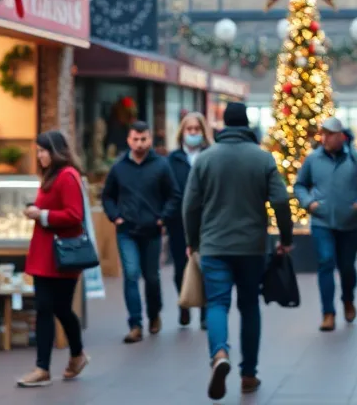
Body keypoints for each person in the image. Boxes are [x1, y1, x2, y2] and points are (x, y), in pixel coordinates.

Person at [183, 102, 293, 401]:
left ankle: (219, 354)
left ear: (223, 126)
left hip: (213, 246)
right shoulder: (262, 158)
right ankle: (248, 374)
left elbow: (190, 205)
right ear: (246, 125)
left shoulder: (205, 159)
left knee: (217, 303)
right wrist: (285, 237)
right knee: (249, 306)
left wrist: (193, 240)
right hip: (251, 247)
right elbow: (280, 201)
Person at [17, 130, 90, 388]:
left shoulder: (67, 176)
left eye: (43, 151)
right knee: (45, 308)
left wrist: (42, 215)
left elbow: (74, 215)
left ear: (55, 151)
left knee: (59, 308)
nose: (39, 156)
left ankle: (75, 355)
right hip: (45, 256)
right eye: (38, 151)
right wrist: (36, 211)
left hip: (61, 256)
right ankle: (44, 368)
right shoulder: (50, 176)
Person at [293, 116, 357, 332]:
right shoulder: (313, 159)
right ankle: (328, 313)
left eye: (330, 134)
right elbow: (300, 185)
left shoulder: (356, 159)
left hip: (349, 223)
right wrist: (309, 203)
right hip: (322, 222)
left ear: (341, 136)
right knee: (326, 262)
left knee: (347, 267)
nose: (325, 138)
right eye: (324, 134)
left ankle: (348, 299)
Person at [101, 120, 178, 342]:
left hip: (152, 230)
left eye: (143, 139)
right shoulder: (119, 167)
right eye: (135, 139)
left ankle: (154, 314)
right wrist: (115, 216)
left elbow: (174, 195)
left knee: (151, 277)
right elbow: (107, 196)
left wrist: (163, 218)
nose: (140, 143)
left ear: (150, 139)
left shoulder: (161, 165)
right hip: (126, 230)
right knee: (131, 274)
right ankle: (135, 324)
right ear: (128, 140)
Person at [167, 112, 210, 328]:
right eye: (189, 129)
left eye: (196, 129)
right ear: (182, 132)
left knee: (205, 266)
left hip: (206, 221)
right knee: (180, 267)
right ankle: (184, 303)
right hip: (178, 222)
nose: (193, 133)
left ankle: (205, 311)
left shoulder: (209, 156)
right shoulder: (172, 159)